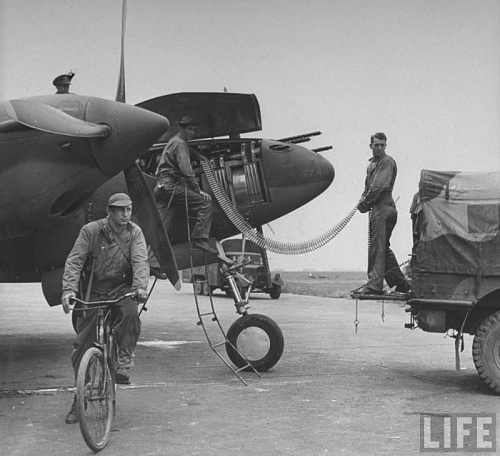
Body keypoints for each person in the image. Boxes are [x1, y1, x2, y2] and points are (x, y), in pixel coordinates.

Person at [61, 193, 149, 424]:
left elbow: (141, 260)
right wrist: (69, 290)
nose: (125, 214)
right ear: (109, 212)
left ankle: (123, 361)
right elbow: (75, 260)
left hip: (122, 290)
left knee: (130, 315)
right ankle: (79, 396)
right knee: (82, 345)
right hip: (95, 291)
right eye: (120, 210)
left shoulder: (134, 233)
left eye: (128, 210)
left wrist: (140, 287)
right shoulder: (91, 231)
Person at [154, 115, 217, 254]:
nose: (192, 132)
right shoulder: (180, 144)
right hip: (170, 186)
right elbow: (186, 170)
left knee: (164, 226)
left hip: (161, 187)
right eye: (189, 129)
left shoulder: (176, 141)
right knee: (204, 203)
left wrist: (198, 156)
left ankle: (153, 262)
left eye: (194, 130)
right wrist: (198, 190)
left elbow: (184, 150)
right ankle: (200, 239)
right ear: (181, 128)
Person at [357, 132, 410, 295]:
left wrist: (365, 203)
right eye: (376, 145)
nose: (379, 148)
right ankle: (401, 284)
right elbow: (368, 188)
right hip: (377, 208)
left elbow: (378, 186)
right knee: (382, 248)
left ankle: (374, 285)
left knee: (377, 248)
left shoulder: (386, 162)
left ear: (385, 146)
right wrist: (362, 201)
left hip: (383, 208)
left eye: (382, 145)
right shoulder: (373, 164)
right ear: (370, 146)